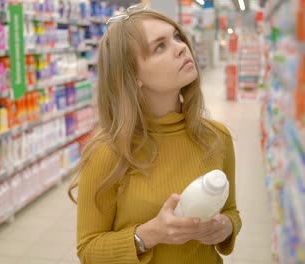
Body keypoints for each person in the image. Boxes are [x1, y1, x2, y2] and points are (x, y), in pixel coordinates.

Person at [68, 5, 241, 264]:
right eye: (160, 46)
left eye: (177, 37)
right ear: (132, 76)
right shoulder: (107, 152)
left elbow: (231, 212)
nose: (182, 47)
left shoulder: (217, 137)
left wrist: (225, 226)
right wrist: (149, 235)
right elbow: (89, 249)